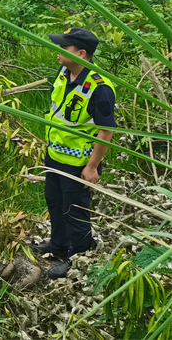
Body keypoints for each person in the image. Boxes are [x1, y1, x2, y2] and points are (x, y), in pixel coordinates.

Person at [32, 27, 116, 279]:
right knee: (55, 203)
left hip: (79, 163)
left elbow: (106, 132)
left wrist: (91, 167)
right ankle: (58, 245)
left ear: (81, 53)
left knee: (75, 211)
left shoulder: (100, 87)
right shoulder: (63, 73)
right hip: (55, 156)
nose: (57, 51)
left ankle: (77, 258)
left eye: (63, 48)